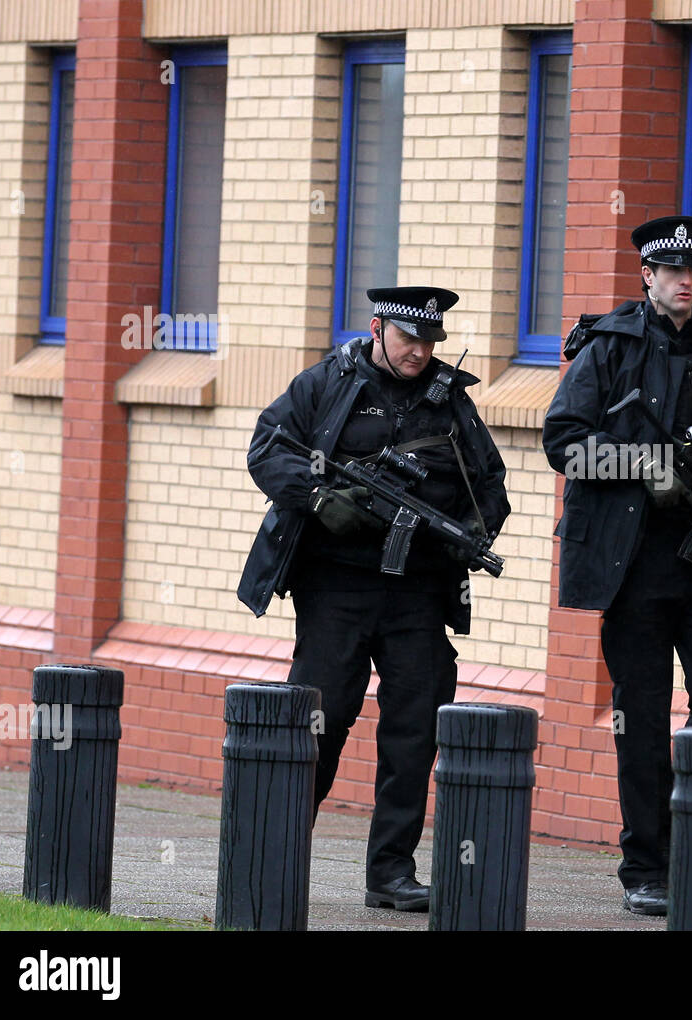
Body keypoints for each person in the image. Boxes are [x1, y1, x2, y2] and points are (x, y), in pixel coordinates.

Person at [238, 286, 511, 912]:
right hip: (335, 586)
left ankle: (390, 872)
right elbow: (266, 451)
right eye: (409, 338)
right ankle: (274, 855)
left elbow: (490, 485)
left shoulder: (450, 402)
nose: (419, 352)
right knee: (320, 720)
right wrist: (317, 499)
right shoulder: (326, 384)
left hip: (417, 590)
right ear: (378, 328)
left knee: (415, 727)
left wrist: (474, 530)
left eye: (429, 341)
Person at [542, 216, 692, 916]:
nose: (684, 281)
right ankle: (646, 866)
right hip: (635, 567)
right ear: (646, 274)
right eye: (671, 270)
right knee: (641, 719)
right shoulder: (609, 349)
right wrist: (646, 467)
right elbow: (565, 446)